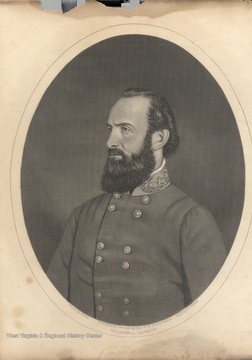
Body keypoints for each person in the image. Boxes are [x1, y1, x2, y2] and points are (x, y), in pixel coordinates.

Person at [47, 88, 226, 326]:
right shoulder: (83, 216)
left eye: (125, 129)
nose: (110, 141)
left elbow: (216, 323)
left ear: (158, 138)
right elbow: (49, 310)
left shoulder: (190, 220)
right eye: (110, 129)